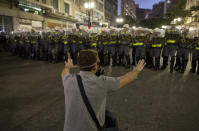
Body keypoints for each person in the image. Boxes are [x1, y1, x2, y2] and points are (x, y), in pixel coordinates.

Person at [61, 49, 146, 131]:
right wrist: (136, 71)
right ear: (95, 67)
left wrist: (68, 67)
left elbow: (64, 73)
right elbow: (127, 78)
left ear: (79, 66)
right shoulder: (102, 82)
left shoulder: (68, 80)